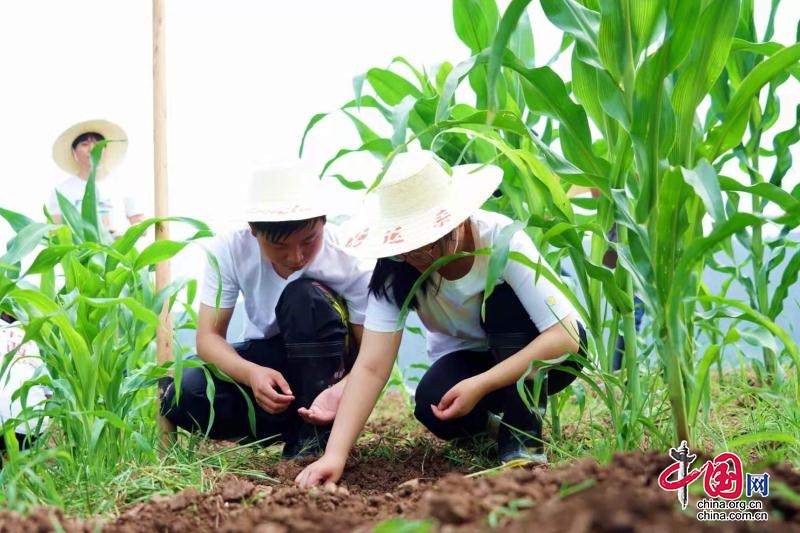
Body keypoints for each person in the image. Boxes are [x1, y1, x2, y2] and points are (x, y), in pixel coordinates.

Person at [296, 150, 586, 488]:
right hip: (474, 361)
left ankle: (523, 438)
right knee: (431, 402)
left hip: (549, 354)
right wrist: (335, 455)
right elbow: (372, 365)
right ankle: (495, 429)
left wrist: (482, 384)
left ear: (458, 219)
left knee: (502, 305)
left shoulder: (503, 241)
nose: (420, 258)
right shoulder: (395, 269)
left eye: (429, 244)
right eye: (408, 249)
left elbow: (565, 337)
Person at [161, 162, 373, 458]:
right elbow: (208, 337)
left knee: (304, 299)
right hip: (271, 362)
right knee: (187, 390)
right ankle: (288, 429)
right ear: (253, 231)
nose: (296, 257)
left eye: (309, 241)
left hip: (332, 367)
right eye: (280, 246)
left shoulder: (350, 257)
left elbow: (372, 354)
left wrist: (343, 391)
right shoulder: (229, 250)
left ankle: (317, 437)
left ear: (324, 222)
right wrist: (252, 374)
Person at [47, 119, 144, 237]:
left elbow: (142, 226)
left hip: (118, 252)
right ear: (73, 152)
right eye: (84, 144)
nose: (92, 149)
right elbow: (53, 231)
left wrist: (118, 233)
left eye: (98, 144)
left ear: (106, 149)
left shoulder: (123, 185)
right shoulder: (62, 191)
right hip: (80, 254)